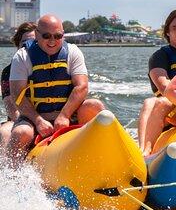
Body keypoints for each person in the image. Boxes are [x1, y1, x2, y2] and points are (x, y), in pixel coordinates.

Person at [6, 14, 105, 162]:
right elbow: (17, 95)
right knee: (21, 132)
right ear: (37, 35)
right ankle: (13, 176)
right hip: (34, 118)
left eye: (58, 36)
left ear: (63, 35)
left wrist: (65, 115)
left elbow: (82, 86)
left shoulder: (73, 52)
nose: (52, 41)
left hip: (69, 114)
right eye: (46, 36)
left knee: (94, 106)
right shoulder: (22, 56)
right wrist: (38, 120)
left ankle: (104, 153)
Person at [138, 9, 176, 156]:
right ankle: (144, 151)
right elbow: (164, 88)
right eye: (175, 28)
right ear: (167, 32)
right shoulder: (159, 57)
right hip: (172, 110)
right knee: (151, 102)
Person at [0, 22, 37, 149]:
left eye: (34, 42)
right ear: (18, 45)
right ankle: (7, 167)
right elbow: (11, 106)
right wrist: (31, 123)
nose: (28, 46)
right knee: (4, 132)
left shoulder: (48, 66)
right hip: (19, 120)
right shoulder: (8, 71)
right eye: (24, 42)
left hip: (46, 118)